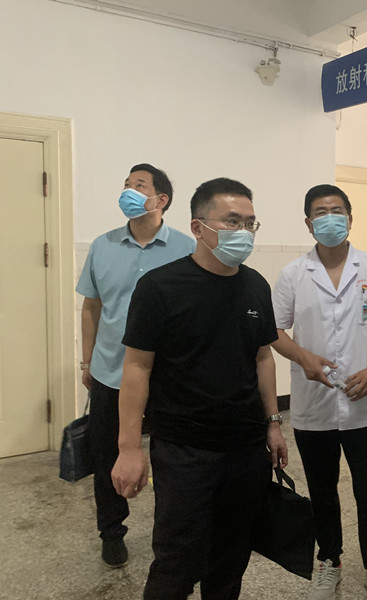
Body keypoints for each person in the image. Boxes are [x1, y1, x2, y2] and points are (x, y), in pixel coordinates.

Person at [110, 177, 288, 599]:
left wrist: (273, 423)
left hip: (245, 448)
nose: (243, 232)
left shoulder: (255, 285)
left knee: (230, 559)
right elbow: (136, 367)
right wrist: (129, 448)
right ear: (198, 227)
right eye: (232, 221)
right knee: (177, 561)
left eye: (249, 223)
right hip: (184, 451)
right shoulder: (160, 287)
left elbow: (262, 357)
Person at [271, 184, 367, 600]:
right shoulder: (294, 274)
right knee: (322, 491)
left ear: (350, 218)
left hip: (364, 405)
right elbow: (274, 331)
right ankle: (329, 561)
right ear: (308, 223)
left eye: (336, 210)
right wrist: (304, 358)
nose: (329, 218)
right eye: (320, 212)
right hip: (313, 405)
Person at [76, 163, 195, 568]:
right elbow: (91, 308)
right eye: (126, 184)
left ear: (161, 200)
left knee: (172, 459)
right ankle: (111, 532)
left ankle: (173, 532)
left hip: (170, 375)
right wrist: (87, 361)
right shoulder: (103, 245)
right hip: (111, 371)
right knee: (108, 455)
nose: (128, 191)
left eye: (139, 185)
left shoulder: (186, 248)